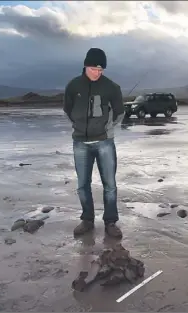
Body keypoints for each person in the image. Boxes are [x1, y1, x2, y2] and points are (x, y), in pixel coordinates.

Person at [63, 48, 125, 238]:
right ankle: (87, 220)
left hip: (104, 143)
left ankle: (111, 222)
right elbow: (68, 110)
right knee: (83, 184)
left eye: (101, 70)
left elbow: (119, 112)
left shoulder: (111, 87)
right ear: (85, 66)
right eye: (94, 68)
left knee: (110, 185)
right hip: (80, 143)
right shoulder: (73, 86)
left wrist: (108, 130)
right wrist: (79, 127)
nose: (98, 73)